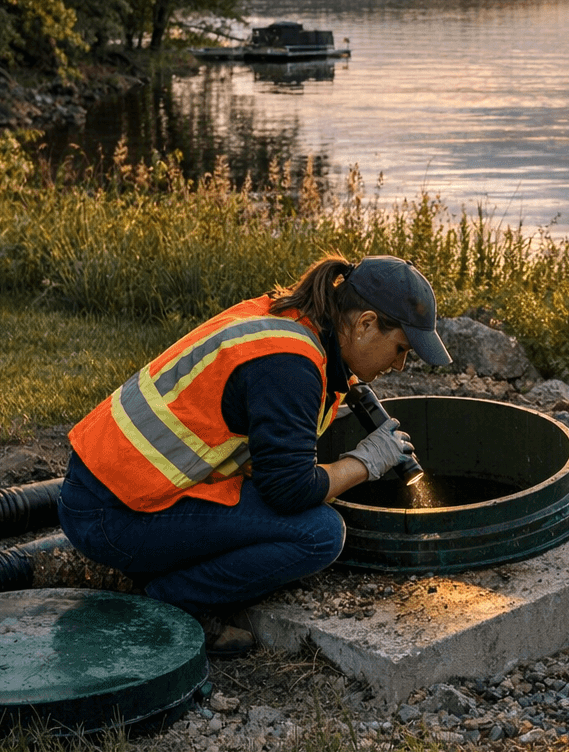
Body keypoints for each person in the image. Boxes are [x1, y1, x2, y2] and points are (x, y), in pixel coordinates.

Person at [58, 254, 452, 655]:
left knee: (299, 515)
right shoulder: (289, 365)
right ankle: (174, 601)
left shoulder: (292, 321)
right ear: (366, 324)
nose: (401, 365)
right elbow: (290, 492)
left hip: (111, 489)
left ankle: (157, 568)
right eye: (400, 348)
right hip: (109, 517)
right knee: (319, 534)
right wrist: (365, 464)